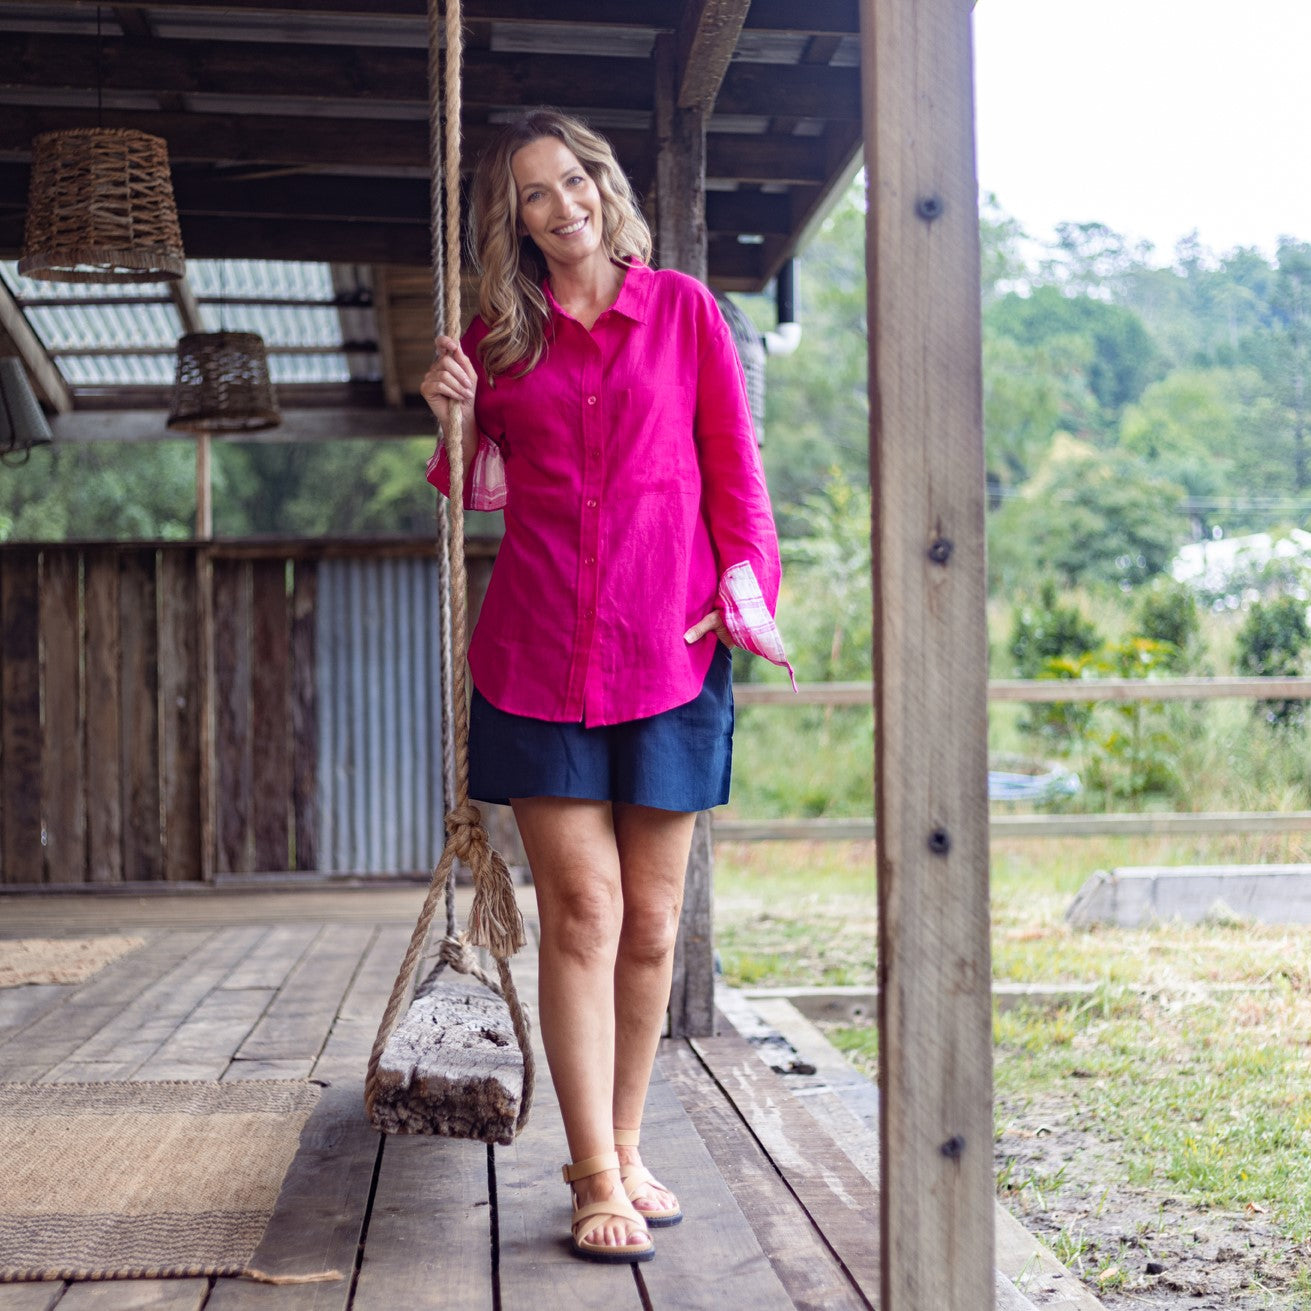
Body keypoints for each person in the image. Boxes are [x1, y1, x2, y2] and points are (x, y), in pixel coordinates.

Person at [421, 108, 792, 1265]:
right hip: (536, 656)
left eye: (572, 179)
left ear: (602, 185)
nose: (561, 203)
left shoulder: (681, 310)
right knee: (582, 910)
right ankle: (589, 1170)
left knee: (654, 921)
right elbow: (466, 483)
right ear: (516, 220)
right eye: (534, 192)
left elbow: (738, 477)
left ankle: (629, 1146)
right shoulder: (498, 337)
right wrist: (451, 411)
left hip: (671, 653)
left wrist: (741, 597)